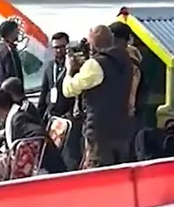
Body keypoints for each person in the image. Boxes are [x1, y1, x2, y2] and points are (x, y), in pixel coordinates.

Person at [62, 25, 135, 168]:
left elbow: (69, 90)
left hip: (99, 131)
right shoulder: (126, 60)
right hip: (122, 129)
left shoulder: (95, 65)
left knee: (97, 173)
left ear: (93, 44)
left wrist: (69, 71)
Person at [35, 33, 73, 119]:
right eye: (56, 47)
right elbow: (44, 91)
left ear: (67, 46)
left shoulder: (74, 66)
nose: (59, 50)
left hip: (68, 116)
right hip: (51, 114)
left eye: (62, 47)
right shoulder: (50, 66)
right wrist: (39, 116)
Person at [0, 19, 24, 90]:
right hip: (9, 94)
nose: (18, 33)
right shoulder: (9, 50)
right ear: (11, 33)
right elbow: (14, 76)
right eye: (16, 31)